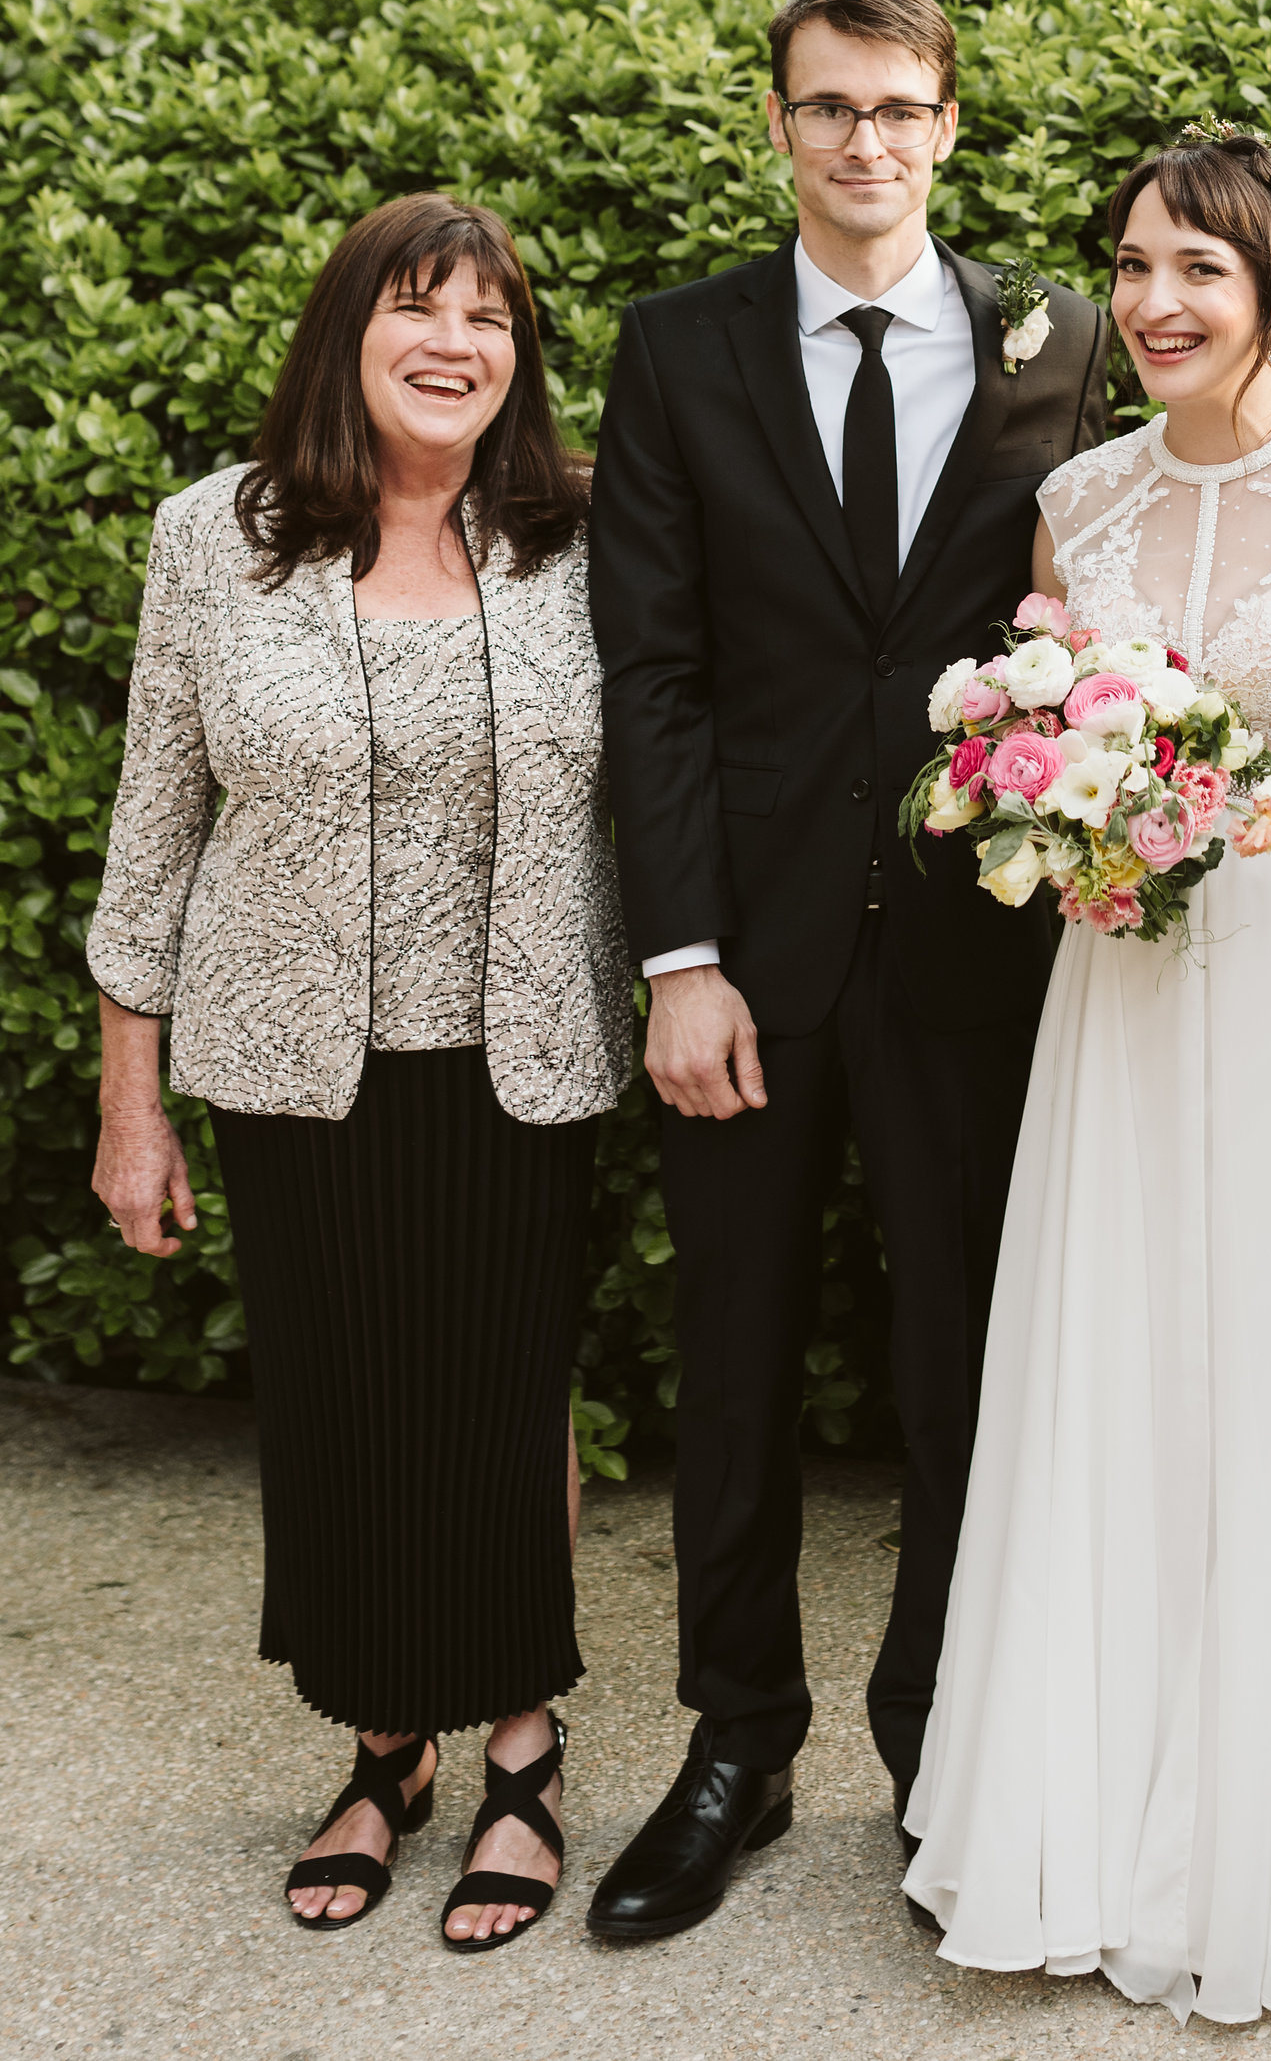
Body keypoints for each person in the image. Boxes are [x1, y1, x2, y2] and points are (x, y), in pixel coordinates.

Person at [903, 124, 1271, 2038]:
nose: (1157, 303)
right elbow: (1043, 726)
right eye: (1138, 264)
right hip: (1125, 982)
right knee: (1124, 1358)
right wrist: (1048, 793)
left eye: (1204, 274)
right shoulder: (1071, 504)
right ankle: (1085, 1812)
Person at [583, 0, 1109, 1944]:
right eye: (827, 108)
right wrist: (682, 955)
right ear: (780, 124)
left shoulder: (1054, 343)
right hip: (749, 958)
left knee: (961, 1363)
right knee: (730, 1367)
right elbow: (654, 670)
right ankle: (735, 1740)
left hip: (979, 952)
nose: (863, 143)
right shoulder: (679, 351)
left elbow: (1079, 610)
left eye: (898, 109)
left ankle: (935, 1740)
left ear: (947, 126)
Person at [87, 194, 633, 1953]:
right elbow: (155, 824)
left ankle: (525, 1755)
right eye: (418, 308)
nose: (454, 343)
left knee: (504, 1397)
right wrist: (132, 1096)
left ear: (518, 355)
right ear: (351, 331)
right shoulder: (216, 540)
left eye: (487, 317)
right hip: (289, 1058)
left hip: (527, 1046)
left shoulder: (592, 538)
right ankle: (385, 1746)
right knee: (340, 1403)